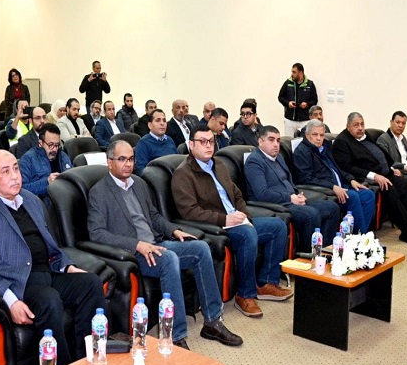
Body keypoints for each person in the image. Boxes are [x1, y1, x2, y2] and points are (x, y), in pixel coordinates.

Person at [88, 140, 242, 349]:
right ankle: (175, 335)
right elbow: (97, 234)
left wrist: (174, 230)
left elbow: (154, 217)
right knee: (169, 259)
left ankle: (213, 321)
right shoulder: (99, 192)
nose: (128, 164)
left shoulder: (139, 183)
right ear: (109, 162)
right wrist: (136, 244)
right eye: (122, 159)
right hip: (134, 254)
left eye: (131, 159)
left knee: (200, 248)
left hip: (157, 244)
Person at [0, 150, 106, 365]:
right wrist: (10, 300)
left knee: (91, 283)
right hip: (17, 282)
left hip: (48, 272)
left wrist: (68, 267)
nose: (15, 176)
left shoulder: (30, 200)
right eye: (6, 171)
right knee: (49, 299)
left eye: (16, 169)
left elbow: (51, 245)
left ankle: (88, 359)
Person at [172, 125, 292, 319]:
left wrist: (244, 215)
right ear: (191, 145)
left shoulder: (219, 164)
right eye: (202, 142)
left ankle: (266, 283)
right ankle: (244, 295)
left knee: (277, 226)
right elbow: (189, 212)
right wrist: (225, 219)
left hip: (237, 219)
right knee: (247, 235)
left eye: (211, 141)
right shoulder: (183, 174)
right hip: (217, 226)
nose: (208, 146)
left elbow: (236, 194)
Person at [332, 112, 407, 246]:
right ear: (348, 127)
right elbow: (348, 167)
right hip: (367, 177)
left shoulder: (366, 136)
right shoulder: (342, 142)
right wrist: (374, 176)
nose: (360, 128)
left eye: (362, 124)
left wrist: (391, 168)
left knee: (405, 185)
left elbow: (380, 154)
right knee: (389, 188)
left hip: (384, 172)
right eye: (356, 125)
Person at [246, 126, 340, 253]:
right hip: (276, 204)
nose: (276, 144)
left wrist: (297, 194)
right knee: (310, 214)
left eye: (278, 140)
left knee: (331, 207)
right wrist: (290, 198)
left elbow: (289, 181)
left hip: (292, 199)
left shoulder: (278, 157)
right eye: (271, 140)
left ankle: (325, 252)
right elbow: (262, 194)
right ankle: (308, 256)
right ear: (260, 141)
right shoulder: (254, 161)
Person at [292, 119, 376, 234]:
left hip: (342, 185)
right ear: (307, 135)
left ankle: (359, 235)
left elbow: (338, 168)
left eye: (321, 135)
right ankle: (361, 236)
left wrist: (351, 179)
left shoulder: (326, 147)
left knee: (368, 194)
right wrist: (332, 187)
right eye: (315, 135)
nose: (319, 138)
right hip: (326, 190)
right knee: (352, 196)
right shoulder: (302, 152)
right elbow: (306, 178)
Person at [18, 123, 72, 207]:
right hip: (43, 205)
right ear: (40, 143)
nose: (55, 149)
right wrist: (47, 182)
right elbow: (21, 190)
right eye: (50, 145)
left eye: (57, 145)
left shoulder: (63, 155)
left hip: (67, 199)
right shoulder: (28, 159)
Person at [277, 63, 318, 137]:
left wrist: (307, 104)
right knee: (288, 141)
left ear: (301, 73)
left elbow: (315, 100)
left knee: (304, 140)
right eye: (292, 71)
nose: (292, 74)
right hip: (290, 120)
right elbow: (280, 97)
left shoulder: (310, 84)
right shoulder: (287, 83)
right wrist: (288, 103)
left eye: (294, 72)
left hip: (305, 120)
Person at [134, 109, 177, 175]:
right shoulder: (143, 143)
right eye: (158, 120)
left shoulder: (170, 140)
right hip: (155, 179)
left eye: (164, 120)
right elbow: (140, 170)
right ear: (150, 125)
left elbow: (178, 162)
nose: (162, 123)